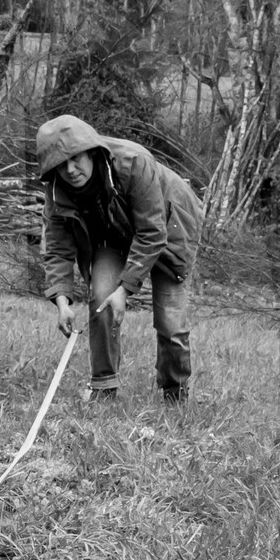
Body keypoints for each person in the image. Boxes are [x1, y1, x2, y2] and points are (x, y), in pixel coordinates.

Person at [36, 114, 203, 403]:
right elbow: (57, 247)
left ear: (90, 151)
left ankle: (175, 392)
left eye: (76, 159)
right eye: (61, 165)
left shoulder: (134, 162)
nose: (71, 170)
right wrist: (62, 302)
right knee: (101, 297)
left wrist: (125, 290)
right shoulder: (56, 189)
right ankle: (104, 387)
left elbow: (152, 232)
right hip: (114, 234)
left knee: (170, 322)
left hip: (170, 225)